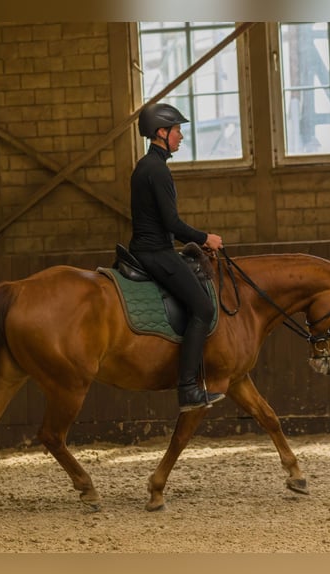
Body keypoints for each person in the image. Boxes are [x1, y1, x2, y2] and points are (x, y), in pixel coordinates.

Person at [129, 102, 225, 412]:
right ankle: (188, 389)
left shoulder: (148, 166)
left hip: (152, 248)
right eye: (177, 130)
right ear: (161, 132)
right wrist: (204, 237)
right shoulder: (157, 170)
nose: (181, 136)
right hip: (155, 252)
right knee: (203, 307)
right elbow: (171, 223)